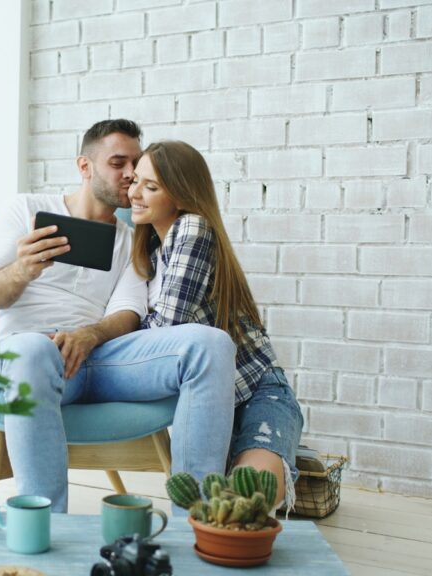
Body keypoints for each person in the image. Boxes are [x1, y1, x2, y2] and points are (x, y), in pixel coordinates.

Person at [0, 119, 237, 512]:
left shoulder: (132, 239)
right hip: (32, 355)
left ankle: (196, 520)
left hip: (100, 358)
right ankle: (45, 522)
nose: (131, 175)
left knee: (212, 343)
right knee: (31, 351)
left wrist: (89, 335)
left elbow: (129, 312)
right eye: (118, 163)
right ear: (85, 167)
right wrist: (23, 269)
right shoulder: (24, 209)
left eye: (136, 164)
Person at [127, 140, 304, 511]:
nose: (134, 193)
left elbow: (169, 331)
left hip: (257, 394)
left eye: (151, 186)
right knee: (213, 505)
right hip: (207, 406)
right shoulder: (152, 255)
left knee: (245, 502)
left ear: (181, 194)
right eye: (135, 181)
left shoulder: (192, 227)